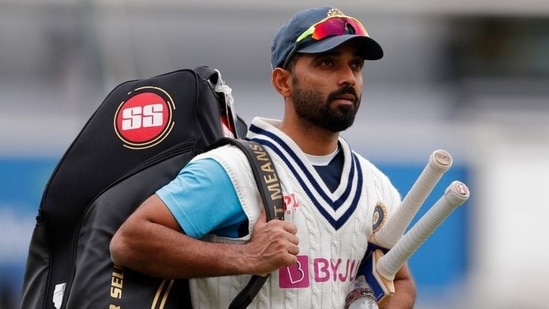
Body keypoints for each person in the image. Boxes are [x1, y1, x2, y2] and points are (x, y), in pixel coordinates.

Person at [110, 6, 416, 308]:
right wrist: (248, 256)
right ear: (283, 81)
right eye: (327, 63)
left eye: (356, 65)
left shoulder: (376, 187)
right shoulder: (233, 169)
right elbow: (130, 241)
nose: (348, 77)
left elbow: (399, 282)